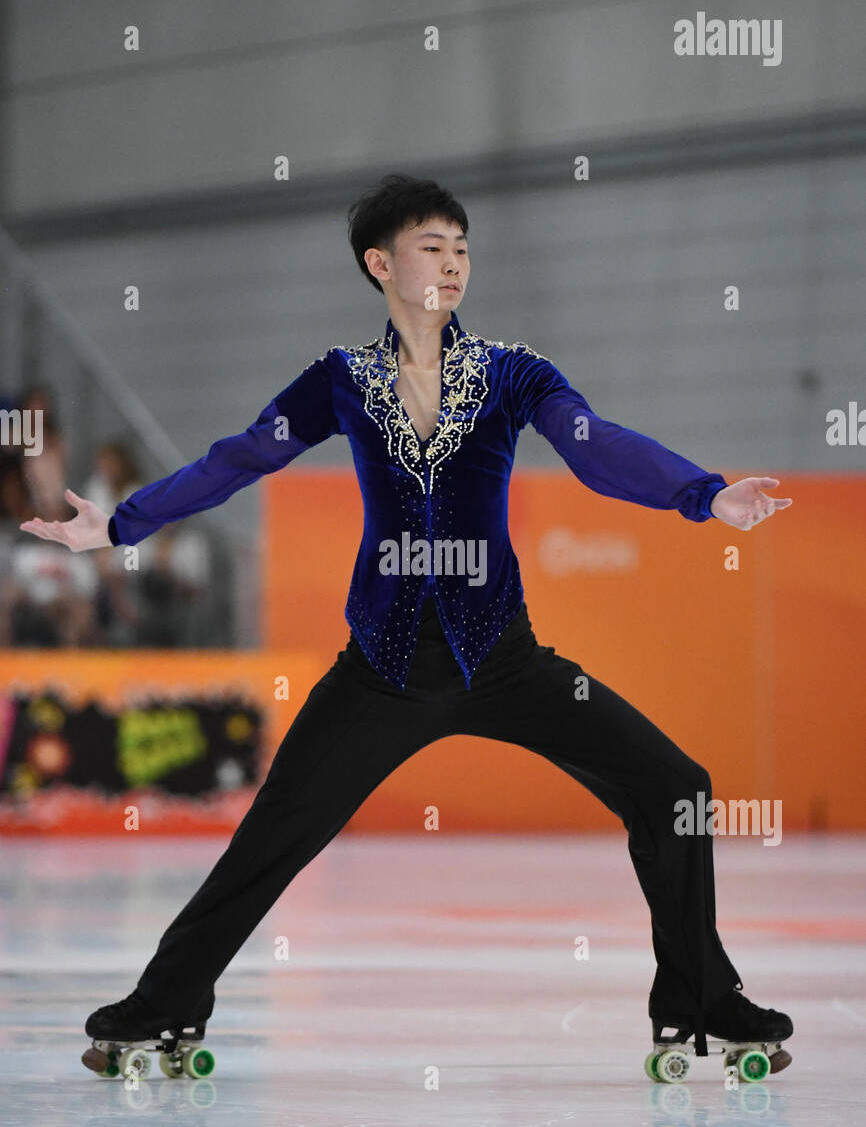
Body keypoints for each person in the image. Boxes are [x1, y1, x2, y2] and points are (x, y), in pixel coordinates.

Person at [20, 173, 794, 1072]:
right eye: (435, 247)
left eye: (464, 247)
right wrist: (119, 524)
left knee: (676, 787)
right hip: (383, 665)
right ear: (381, 264)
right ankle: (164, 1005)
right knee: (273, 833)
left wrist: (704, 495)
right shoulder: (340, 381)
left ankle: (702, 998)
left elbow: (595, 445)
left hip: (505, 659)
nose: (456, 263)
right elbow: (238, 458)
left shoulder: (513, 373)